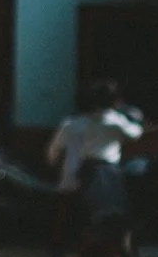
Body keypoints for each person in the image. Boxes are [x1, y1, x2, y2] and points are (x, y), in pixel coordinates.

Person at [47, 78, 144, 231]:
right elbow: (136, 134)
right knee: (106, 213)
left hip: (84, 170)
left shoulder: (77, 123)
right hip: (107, 172)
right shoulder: (116, 121)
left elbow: (54, 153)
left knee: (77, 212)